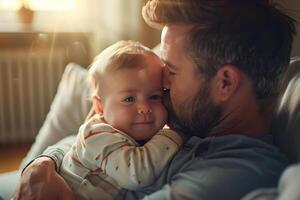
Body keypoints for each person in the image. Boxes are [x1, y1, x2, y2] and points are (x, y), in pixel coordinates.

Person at [13, 0, 296, 199]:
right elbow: (86, 139)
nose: (162, 83)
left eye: (171, 71)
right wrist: (40, 165)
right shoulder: (189, 122)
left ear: (225, 83)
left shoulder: (239, 171)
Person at [59, 40, 183, 200]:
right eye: (129, 99)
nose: (145, 108)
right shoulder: (97, 135)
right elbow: (137, 174)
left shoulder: (141, 135)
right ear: (100, 107)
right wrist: (175, 133)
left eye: (154, 96)